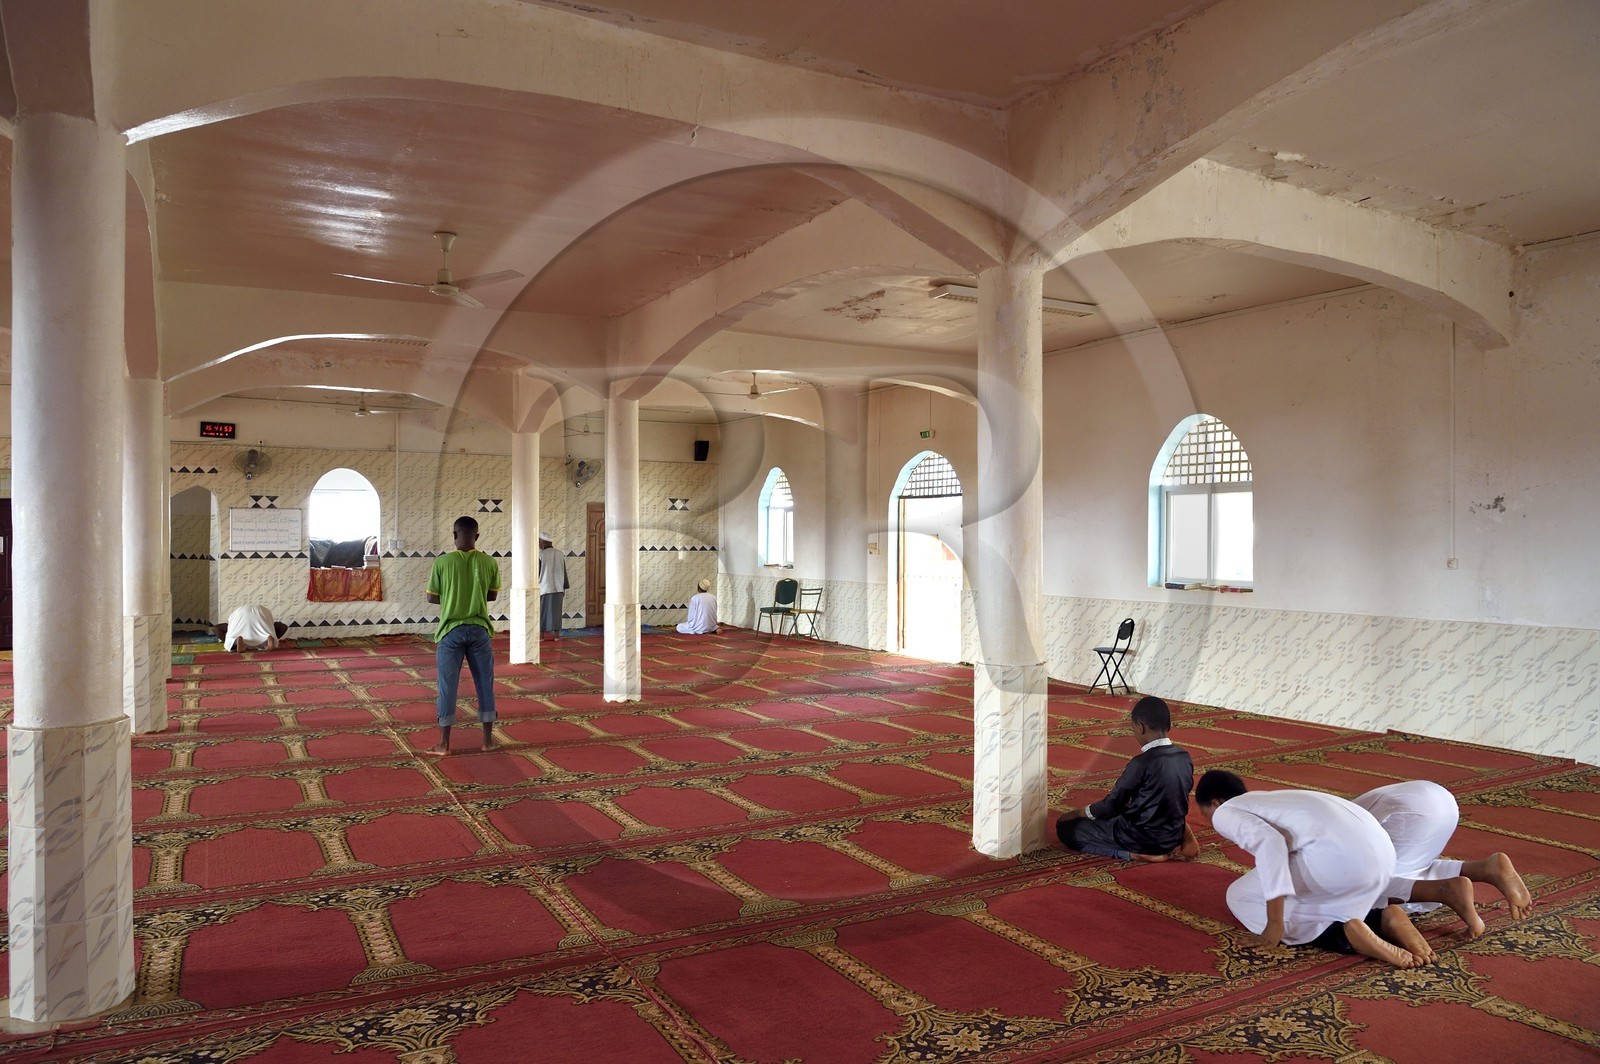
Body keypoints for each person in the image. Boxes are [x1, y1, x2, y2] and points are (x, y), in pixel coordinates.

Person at [1195, 769, 1430, 969]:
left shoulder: (1226, 810)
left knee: (1240, 895)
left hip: (1339, 863)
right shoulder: (1275, 800)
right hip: (1383, 858)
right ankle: (1381, 917)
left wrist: (1274, 924)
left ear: (1216, 802)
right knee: (1292, 887)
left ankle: (1345, 935)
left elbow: (1270, 844)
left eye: (1207, 815)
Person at [1355, 779, 1533, 937]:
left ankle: (1441, 889)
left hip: (1403, 813)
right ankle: (1483, 868)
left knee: (1355, 886)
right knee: (1413, 868)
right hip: (1439, 799)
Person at [1056, 695, 1198, 862]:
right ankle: (1184, 832)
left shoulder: (1141, 763)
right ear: (1169, 725)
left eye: (1133, 729)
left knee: (1067, 830)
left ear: (1141, 727)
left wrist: (1078, 813)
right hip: (1171, 836)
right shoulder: (1185, 757)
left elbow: (1112, 805)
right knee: (1146, 801)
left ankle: (1132, 854)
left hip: (1140, 839)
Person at [424, 516, 501, 756]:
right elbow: (492, 596)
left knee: (448, 686)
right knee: (484, 684)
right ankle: (487, 741)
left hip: (450, 630)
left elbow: (431, 597)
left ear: (454, 534)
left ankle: (444, 744)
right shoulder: (489, 562)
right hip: (479, 629)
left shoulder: (442, 563)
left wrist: (451, 596)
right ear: (477, 536)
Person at [214, 604, 289, 652]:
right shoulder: (264, 612)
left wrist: (227, 640)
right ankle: (268, 640)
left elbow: (216, 628)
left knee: (231, 640)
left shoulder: (234, 621)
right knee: (266, 632)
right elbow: (283, 627)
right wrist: (274, 635)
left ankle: (236, 642)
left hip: (241, 613)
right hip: (261, 611)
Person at [537, 531, 567, 641]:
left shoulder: (541, 555)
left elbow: (537, 572)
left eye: (540, 542)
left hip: (544, 587)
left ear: (544, 542)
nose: (539, 544)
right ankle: (556, 636)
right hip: (558, 587)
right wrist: (564, 587)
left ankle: (541, 636)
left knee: (542, 612)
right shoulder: (560, 554)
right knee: (556, 612)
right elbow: (564, 572)